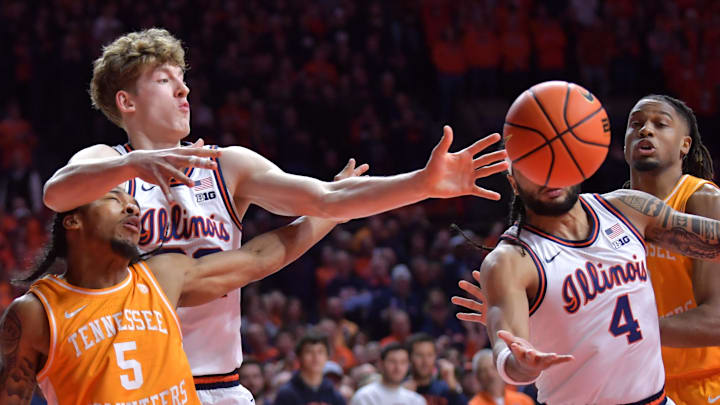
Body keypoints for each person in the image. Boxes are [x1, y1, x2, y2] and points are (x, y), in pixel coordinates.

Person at [41, 28, 509, 405]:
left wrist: (421, 184)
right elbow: (56, 194)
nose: (184, 89)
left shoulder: (228, 165)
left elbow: (326, 198)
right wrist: (130, 165)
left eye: (183, 78)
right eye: (165, 80)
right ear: (127, 102)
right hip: (136, 385)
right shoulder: (105, 163)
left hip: (219, 384)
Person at [0, 160, 358, 404]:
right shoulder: (35, 313)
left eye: (133, 202)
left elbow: (260, 258)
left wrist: (330, 212)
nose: (132, 208)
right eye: (114, 199)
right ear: (73, 222)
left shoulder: (163, 275)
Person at [451, 163, 720, 404]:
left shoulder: (627, 208)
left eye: (556, 161)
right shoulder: (510, 260)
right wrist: (522, 365)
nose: (548, 176)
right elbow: (506, 351)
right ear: (514, 182)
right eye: (534, 167)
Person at [624, 94, 720, 404]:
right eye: (635, 124)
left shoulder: (703, 200)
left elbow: (715, 320)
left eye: (660, 124)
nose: (645, 130)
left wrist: (630, 331)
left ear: (685, 145)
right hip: (639, 386)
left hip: (705, 383)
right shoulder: (608, 212)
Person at [273, 330, 346, 405]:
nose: (315, 357)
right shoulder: (286, 395)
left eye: (320, 352)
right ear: (299, 357)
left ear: (327, 357)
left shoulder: (335, 396)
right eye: (309, 351)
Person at [350, 342, 427, 405]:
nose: (398, 368)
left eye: (403, 362)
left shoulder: (416, 400)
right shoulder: (365, 397)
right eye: (392, 361)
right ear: (381, 364)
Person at [406, 332, 467, 405]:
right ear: (409, 358)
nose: (425, 361)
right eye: (419, 355)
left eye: (430, 355)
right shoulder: (402, 389)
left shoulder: (445, 389)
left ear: (435, 357)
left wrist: (454, 387)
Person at [468, 349, 533, 405]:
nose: (490, 374)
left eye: (493, 368)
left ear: (502, 370)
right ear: (477, 377)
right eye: (483, 371)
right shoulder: (474, 403)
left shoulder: (523, 400)